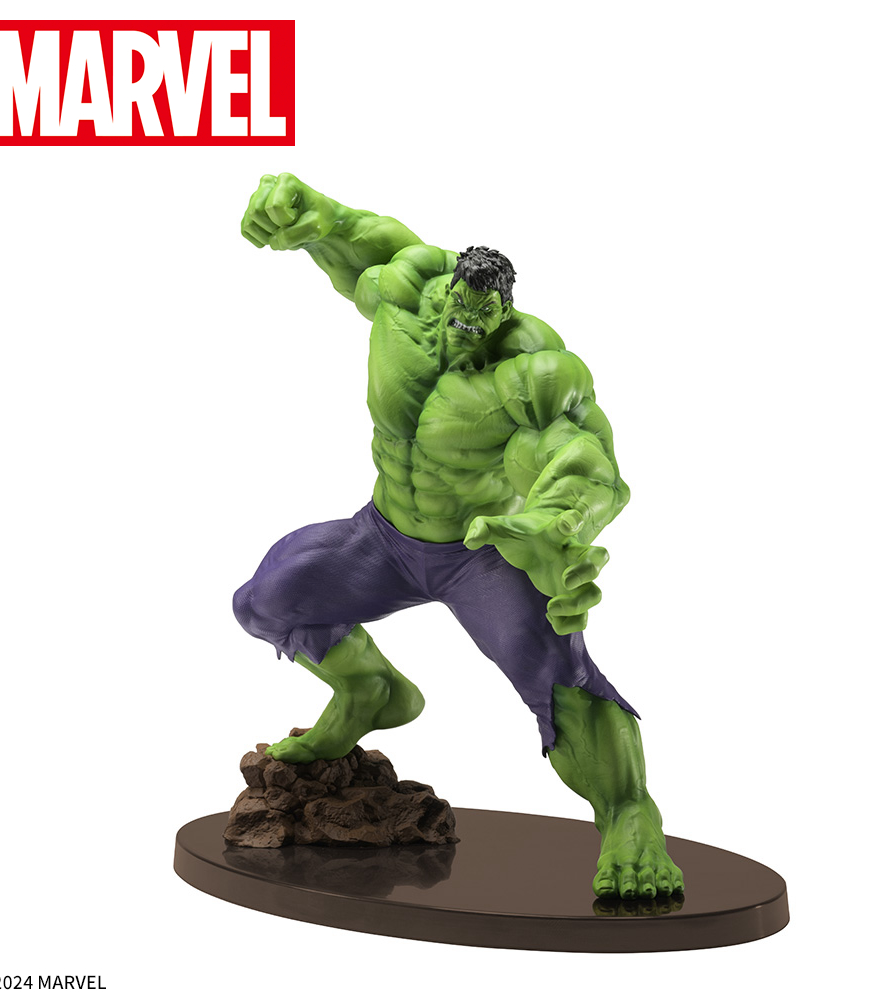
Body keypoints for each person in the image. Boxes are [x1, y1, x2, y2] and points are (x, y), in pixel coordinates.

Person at [233, 173, 683, 899]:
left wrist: (557, 525)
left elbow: (583, 455)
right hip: (381, 537)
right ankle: (369, 691)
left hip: (479, 552)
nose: (464, 332)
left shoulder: (533, 369)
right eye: (457, 314)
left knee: (562, 683)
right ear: (444, 295)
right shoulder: (408, 287)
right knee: (266, 600)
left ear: (503, 314)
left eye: (482, 322)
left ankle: (630, 816)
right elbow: (348, 235)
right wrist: (302, 212)